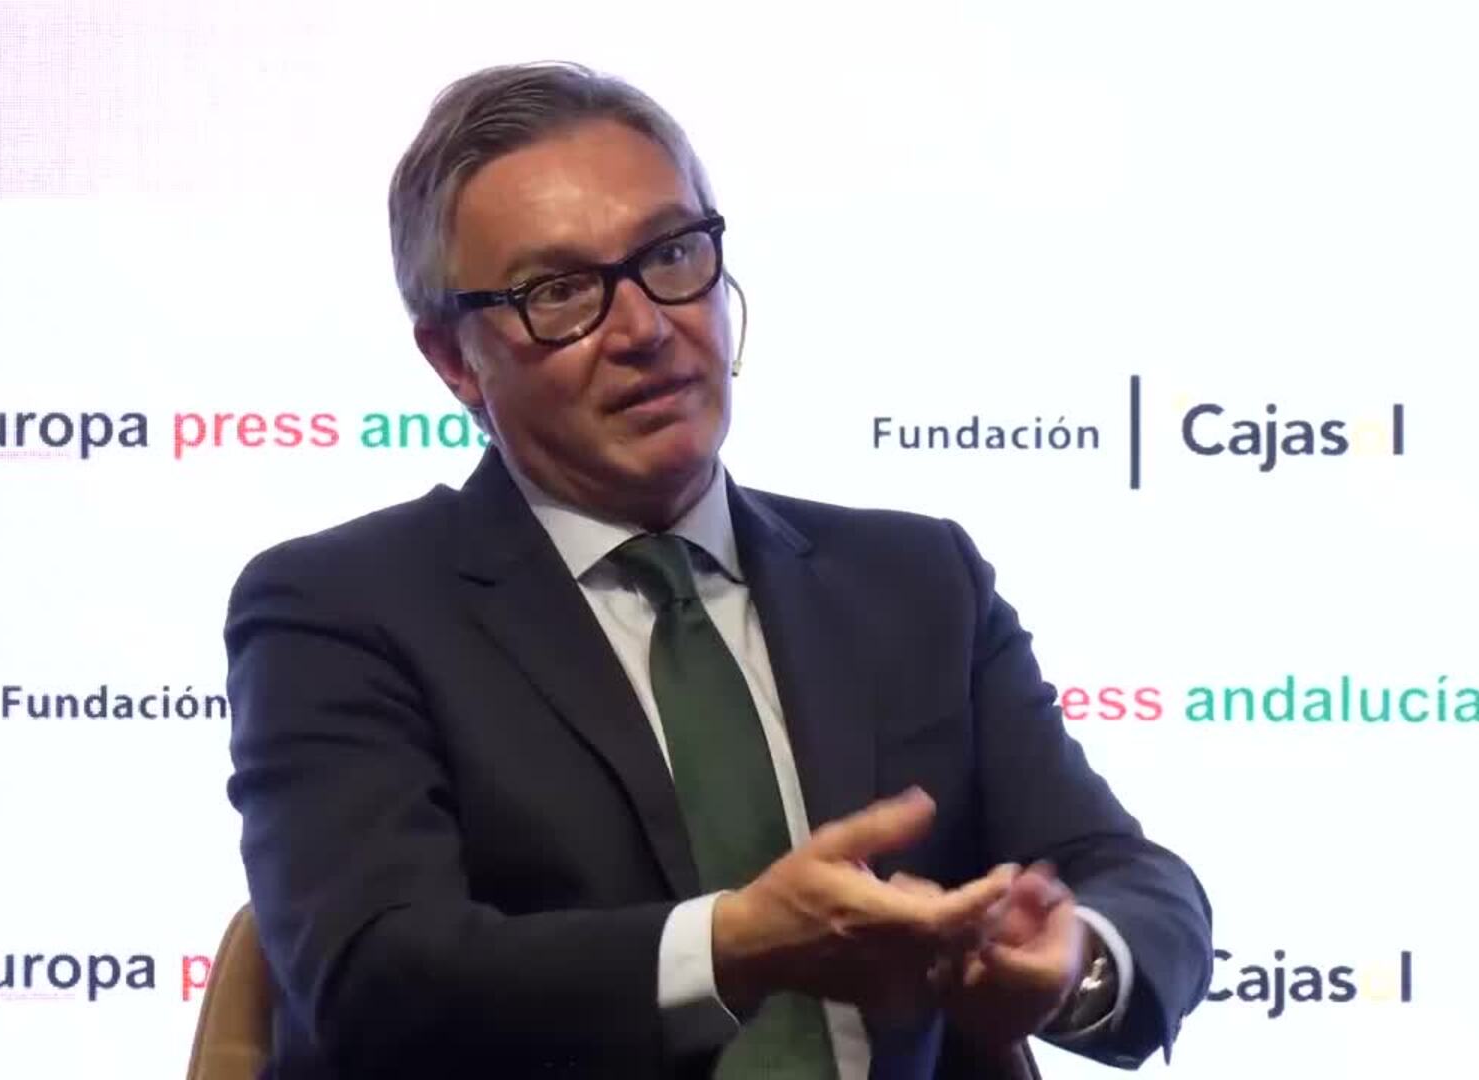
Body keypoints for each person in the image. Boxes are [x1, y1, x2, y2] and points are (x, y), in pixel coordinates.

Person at [223, 60, 1212, 1080]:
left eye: (671, 254)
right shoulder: (340, 611)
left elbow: (1126, 875)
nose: (646, 327)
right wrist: (732, 946)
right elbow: (375, 979)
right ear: (453, 360)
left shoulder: (916, 582)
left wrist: (1072, 962)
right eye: (560, 292)